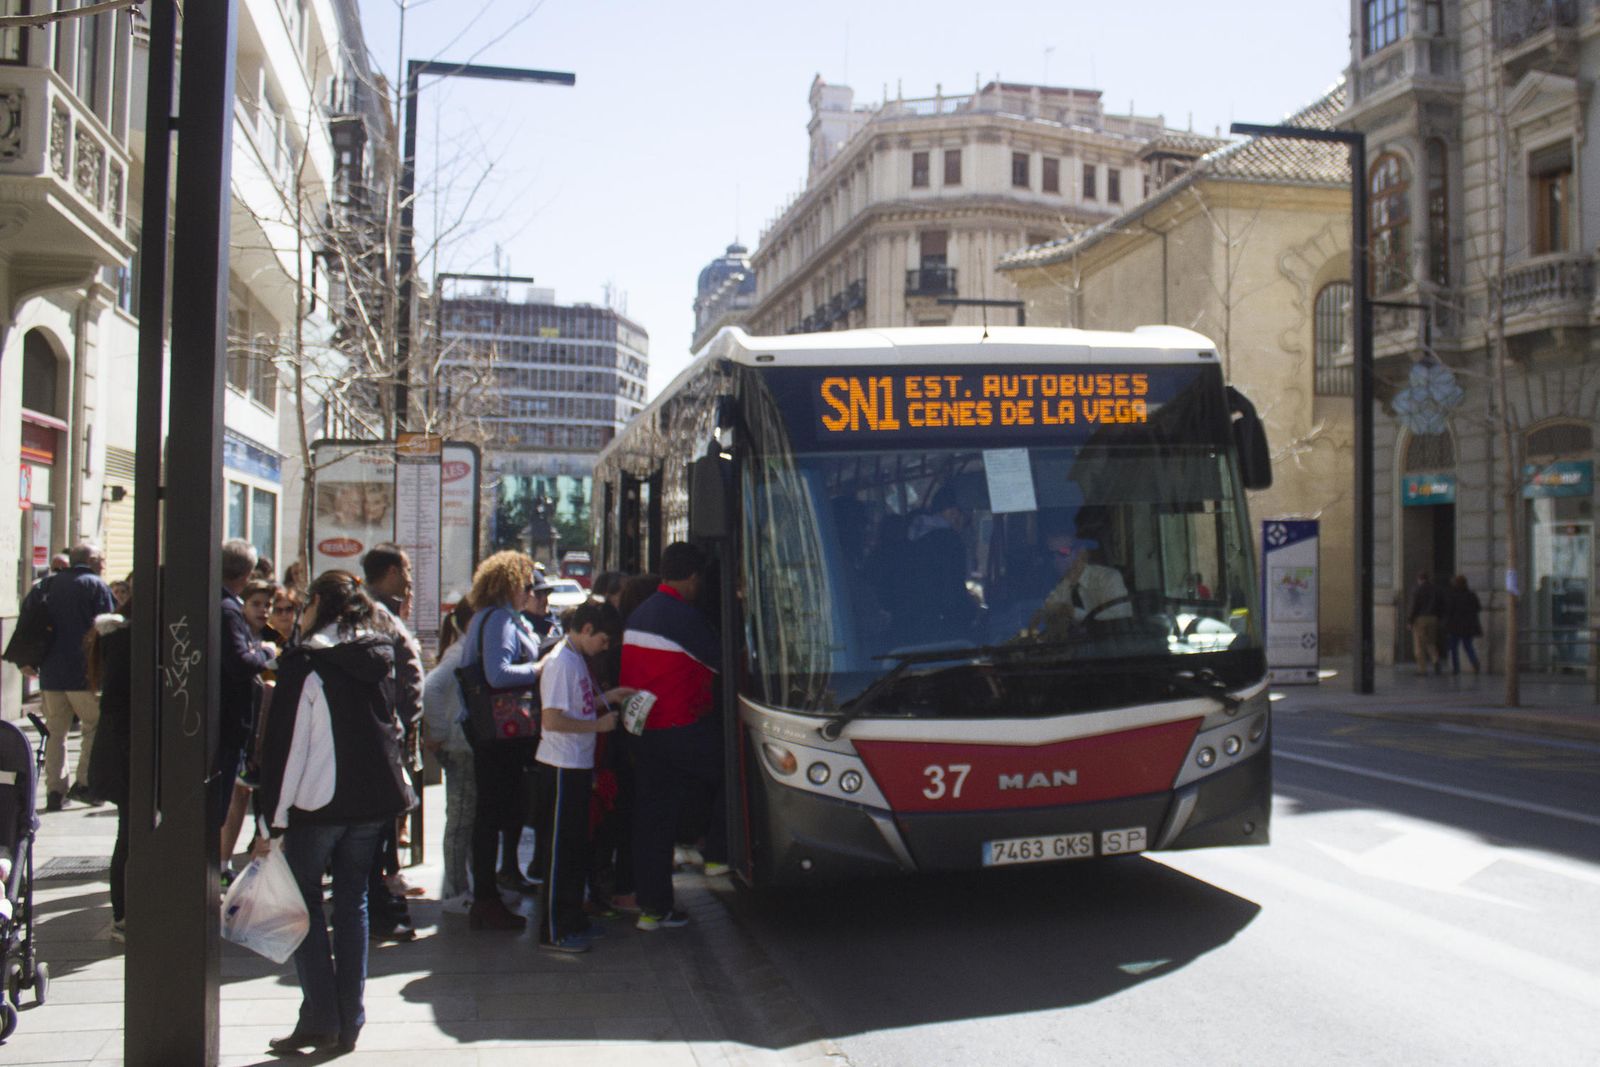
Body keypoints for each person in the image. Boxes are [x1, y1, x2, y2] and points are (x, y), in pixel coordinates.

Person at [256, 570, 412, 1056]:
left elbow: (288, 745)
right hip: (370, 803)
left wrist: (271, 819)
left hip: (316, 804)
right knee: (354, 906)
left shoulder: (307, 662)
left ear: (318, 603)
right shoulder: (379, 654)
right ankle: (351, 1019)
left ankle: (320, 1016)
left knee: (304, 907)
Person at [620, 542, 726, 931]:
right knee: (734, 770)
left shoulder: (639, 615)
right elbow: (723, 660)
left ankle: (653, 910)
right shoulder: (684, 617)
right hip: (682, 727)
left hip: (644, 733)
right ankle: (718, 853)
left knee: (652, 824)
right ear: (693, 577)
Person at [535, 600, 630, 952]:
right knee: (560, 854)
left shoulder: (575, 659)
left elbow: (578, 704)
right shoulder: (562, 663)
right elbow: (553, 719)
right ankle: (555, 928)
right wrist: (597, 724)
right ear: (587, 629)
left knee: (574, 850)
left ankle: (571, 919)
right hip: (560, 767)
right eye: (604, 641)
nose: (605, 649)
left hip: (575, 767)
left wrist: (609, 698)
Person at [458, 550, 546, 931]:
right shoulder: (498, 621)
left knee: (494, 813)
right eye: (527, 585)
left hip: (495, 732)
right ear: (510, 585)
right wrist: (540, 667)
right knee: (492, 814)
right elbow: (498, 674)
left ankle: (490, 892)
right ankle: (487, 898)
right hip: (499, 734)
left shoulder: (489, 618)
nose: (531, 592)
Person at [360, 544, 425, 937]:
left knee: (387, 823)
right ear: (389, 571)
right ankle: (379, 900)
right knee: (379, 826)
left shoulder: (387, 611)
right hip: (386, 734)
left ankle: (384, 887)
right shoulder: (376, 613)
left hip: (396, 732)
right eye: (406, 568)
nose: (410, 576)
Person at [30, 541, 117, 811]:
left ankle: (55, 790)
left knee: (56, 732)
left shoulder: (47, 584)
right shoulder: (95, 585)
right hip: (84, 673)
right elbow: (108, 627)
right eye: (100, 558)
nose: (103, 563)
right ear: (90, 560)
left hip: (51, 673)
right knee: (93, 727)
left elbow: (29, 621)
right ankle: (85, 784)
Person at [217, 540, 275, 846]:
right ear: (246, 574)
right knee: (219, 805)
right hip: (226, 722)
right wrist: (265, 653)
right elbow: (240, 662)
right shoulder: (228, 610)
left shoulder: (222, 604)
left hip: (222, 721)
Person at [423, 599, 477, 912]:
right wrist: (441, 731)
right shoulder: (460, 653)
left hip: (460, 745)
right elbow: (430, 688)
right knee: (459, 821)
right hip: (458, 746)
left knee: (465, 819)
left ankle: (466, 885)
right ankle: (455, 892)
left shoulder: (462, 649)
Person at [86, 598, 132, 942]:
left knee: (127, 834)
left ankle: (123, 914)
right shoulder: (126, 644)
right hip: (127, 755)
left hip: (119, 754)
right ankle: (123, 914)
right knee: (129, 836)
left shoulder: (115, 639)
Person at [893, 487, 976, 644]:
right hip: (943, 626)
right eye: (964, 516)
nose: (964, 522)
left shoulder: (911, 536)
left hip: (911, 623)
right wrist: (968, 612)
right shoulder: (949, 541)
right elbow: (953, 588)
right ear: (953, 513)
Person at [1038, 525, 1132, 627]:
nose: (1056, 560)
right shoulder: (1060, 587)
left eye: (1063, 552)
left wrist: (1073, 612)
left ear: (1080, 551)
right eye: (1052, 555)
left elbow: (1120, 621)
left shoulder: (1108, 578)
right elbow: (1047, 614)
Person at [1443, 575, 1482, 676]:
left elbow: (1448, 611)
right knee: (1468, 646)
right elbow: (1478, 608)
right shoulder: (1471, 595)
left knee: (1454, 648)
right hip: (1468, 625)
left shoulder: (1452, 595)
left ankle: (1456, 668)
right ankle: (1474, 662)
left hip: (1454, 626)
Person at [1408, 571, 1442, 676]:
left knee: (1419, 644)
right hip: (1433, 618)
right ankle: (1435, 659)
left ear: (1419, 579)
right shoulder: (1436, 589)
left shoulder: (1417, 590)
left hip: (1420, 619)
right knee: (1430, 642)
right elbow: (1442, 604)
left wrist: (1410, 620)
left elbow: (1414, 606)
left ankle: (1422, 669)